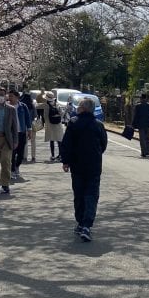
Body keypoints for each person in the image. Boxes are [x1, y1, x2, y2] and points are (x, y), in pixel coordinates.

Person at [60, 96, 108, 242]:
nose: (77, 109)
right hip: (94, 165)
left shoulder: (73, 123)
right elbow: (103, 144)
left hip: (77, 165)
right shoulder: (98, 125)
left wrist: (66, 161)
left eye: (79, 106)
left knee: (79, 193)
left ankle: (81, 222)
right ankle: (87, 224)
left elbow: (66, 143)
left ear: (83, 108)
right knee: (92, 194)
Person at [8, 89, 31, 180]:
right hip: (11, 133)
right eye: (9, 96)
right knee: (12, 153)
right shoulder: (7, 106)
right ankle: (12, 170)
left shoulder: (23, 106)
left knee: (21, 153)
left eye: (11, 96)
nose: (10, 98)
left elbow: (27, 118)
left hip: (21, 132)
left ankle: (17, 166)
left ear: (17, 97)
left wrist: (29, 130)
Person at [38, 90, 66, 161]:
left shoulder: (45, 105)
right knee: (59, 140)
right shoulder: (57, 104)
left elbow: (36, 106)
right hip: (58, 124)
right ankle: (60, 155)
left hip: (49, 125)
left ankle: (53, 155)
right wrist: (59, 118)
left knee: (52, 140)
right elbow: (62, 113)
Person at [132, 92, 149, 158]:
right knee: (147, 137)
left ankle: (143, 152)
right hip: (148, 124)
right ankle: (147, 150)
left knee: (142, 138)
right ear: (146, 98)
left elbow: (135, 116)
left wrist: (133, 124)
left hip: (141, 124)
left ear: (141, 98)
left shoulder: (138, 106)